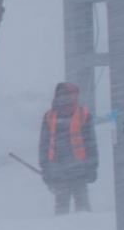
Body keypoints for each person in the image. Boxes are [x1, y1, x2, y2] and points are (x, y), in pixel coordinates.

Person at [38, 82, 98, 215]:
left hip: (79, 172)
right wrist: (45, 170)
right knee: (62, 209)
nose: (66, 99)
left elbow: (91, 144)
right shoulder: (49, 116)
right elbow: (44, 145)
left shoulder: (84, 114)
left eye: (69, 95)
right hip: (58, 173)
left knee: (82, 209)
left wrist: (92, 167)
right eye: (63, 95)